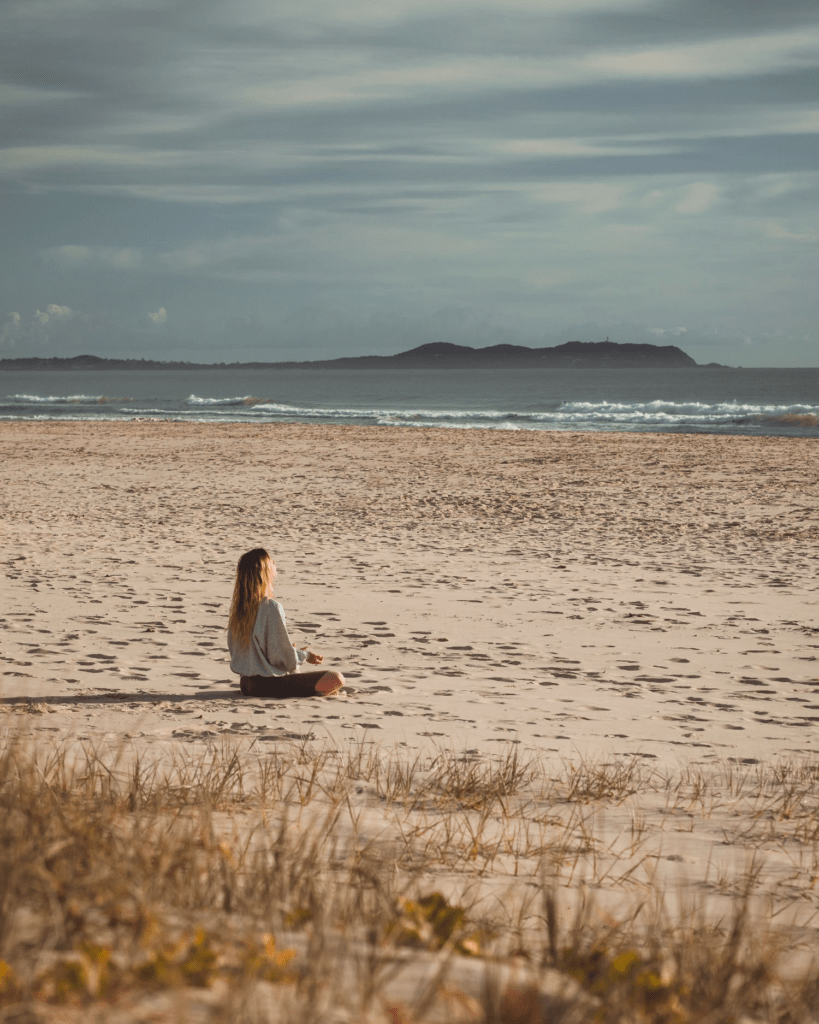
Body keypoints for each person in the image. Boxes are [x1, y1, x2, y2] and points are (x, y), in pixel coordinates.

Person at [227, 548, 344, 698]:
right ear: (266, 572)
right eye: (272, 564)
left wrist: (292, 651)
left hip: (246, 684)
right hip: (269, 684)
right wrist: (304, 655)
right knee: (335, 678)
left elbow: (241, 654)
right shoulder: (271, 607)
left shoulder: (238, 612)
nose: (275, 567)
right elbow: (283, 660)